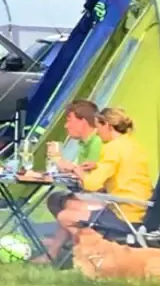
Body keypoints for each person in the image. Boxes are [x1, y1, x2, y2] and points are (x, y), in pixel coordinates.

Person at [45, 106, 153, 261]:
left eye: (98, 126)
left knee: (65, 216)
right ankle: (75, 253)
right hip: (142, 208)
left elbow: (91, 185)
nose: (97, 132)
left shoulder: (112, 148)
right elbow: (124, 168)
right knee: (73, 206)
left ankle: (95, 254)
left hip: (125, 213)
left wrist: (75, 169)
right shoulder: (132, 144)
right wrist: (97, 166)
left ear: (108, 125)